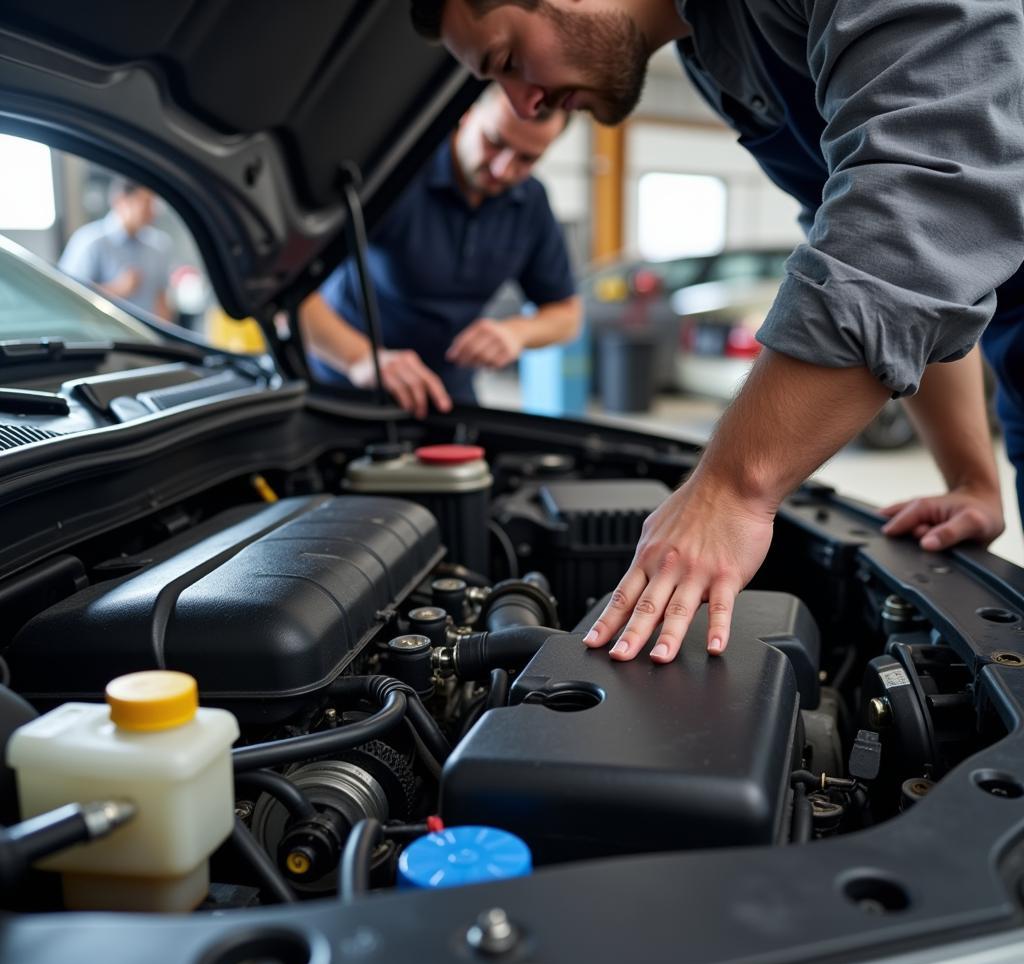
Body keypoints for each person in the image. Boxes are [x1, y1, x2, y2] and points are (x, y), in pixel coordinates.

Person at [409, 0, 1024, 660]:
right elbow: (903, 273)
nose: (525, 104)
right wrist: (970, 480)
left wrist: (731, 487)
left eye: (507, 61)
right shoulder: (715, 51)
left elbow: (923, 203)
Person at [299, 87, 582, 418]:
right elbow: (289, 296)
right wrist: (360, 358)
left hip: (447, 393)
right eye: (495, 142)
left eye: (527, 158)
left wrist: (516, 333)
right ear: (466, 115)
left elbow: (567, 315)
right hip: (347, 384)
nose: (503, 170)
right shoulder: (393, 174)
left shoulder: (531, 203)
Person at [58, 177, 172, 320]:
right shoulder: (89, 241)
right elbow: (67, 297)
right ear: (120, 201)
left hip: (147, 339)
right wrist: (118, 289)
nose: (153, 211)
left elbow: (161, 299)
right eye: (146, 202)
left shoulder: (159, 245)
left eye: (154, 203)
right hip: (103, 337)